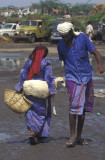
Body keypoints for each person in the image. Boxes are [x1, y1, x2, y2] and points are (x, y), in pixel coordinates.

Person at [57, 22, 104, 147]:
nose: (64, 38)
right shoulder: (60, 45)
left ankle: (79, 136)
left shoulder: (82, 38)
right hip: (72, 78)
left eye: (66, 36)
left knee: (82, 108)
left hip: (86, 77)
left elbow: (95, 52)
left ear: (71, 32)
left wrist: (99, 65)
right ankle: (72, 136)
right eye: (62, 36)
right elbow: (63, 60)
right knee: (73, 106)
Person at [15, 45, 56, 145]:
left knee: (30, 111)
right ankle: (40, 135)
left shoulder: (29, 62)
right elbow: (49, 77)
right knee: (42, 112)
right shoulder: (46, 63)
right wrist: (51, 90)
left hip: (29, 91)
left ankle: (32, 132)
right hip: (41, 92)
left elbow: (23, 74)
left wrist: (19, 87)